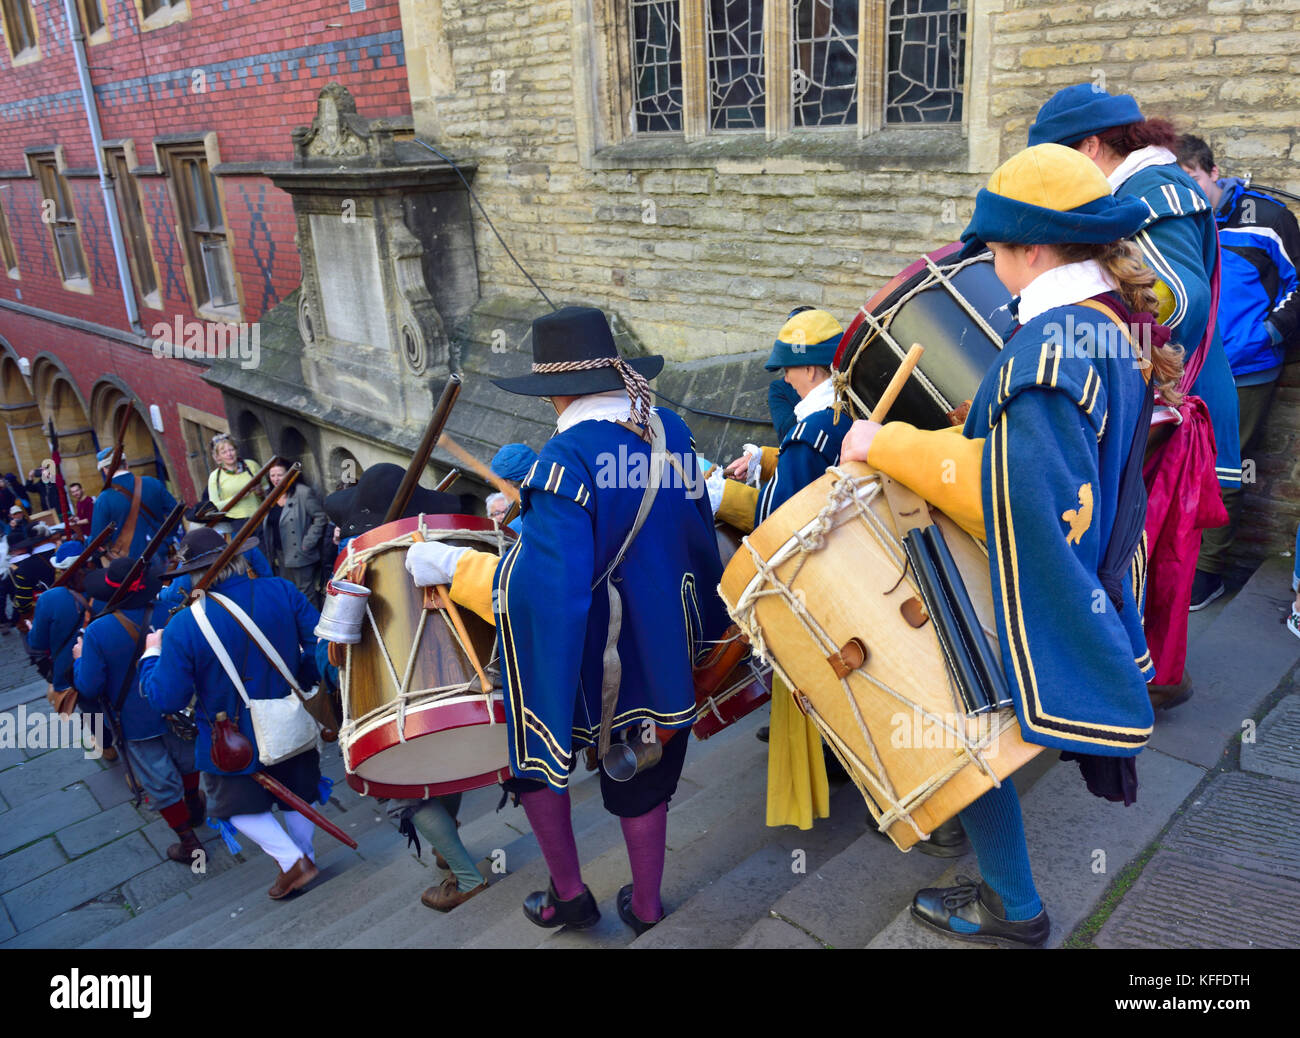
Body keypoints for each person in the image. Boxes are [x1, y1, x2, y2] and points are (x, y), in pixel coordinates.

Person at [838, 142, 1181, 946]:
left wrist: (885, 444)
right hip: (1085, 560)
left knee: (962, 723)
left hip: (1024, 579)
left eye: (995, 251)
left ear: (1033, 249)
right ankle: (1004, 891)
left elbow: (1013, 490)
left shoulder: (1049, 347)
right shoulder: (1106, 324)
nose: (989, 267)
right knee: (971, 728)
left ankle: (1013, 909)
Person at [403, 306, 729, 934]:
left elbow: (544, 592)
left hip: (591, 661)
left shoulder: (563, 462)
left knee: (533, 752)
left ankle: (570, 895)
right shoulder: (672, 431)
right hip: (662, 648)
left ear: (556, 389)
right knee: (647, 767)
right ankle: (649, 907)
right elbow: (690, 536)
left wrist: (451, 565)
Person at [1028, 85, 1237, 706]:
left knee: (1138, 544)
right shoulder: (1141, 190)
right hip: (1150, 399)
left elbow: (1180, 300)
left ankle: (1133, 681)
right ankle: (1135, 671)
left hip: (1163, 405)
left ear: (1091, 146)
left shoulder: (1156, 194)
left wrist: (1094, 324)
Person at [317, 470, 487, 913]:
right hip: (459, 689)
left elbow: (332, 655)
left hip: (393, 705)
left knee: (403, 798)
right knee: (447, 768)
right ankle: (445, 843)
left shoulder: (357, 566)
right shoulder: (442, 547)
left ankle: (466, 876)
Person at [139, 527, 326, 900]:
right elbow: (320, 645)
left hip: (231, 735)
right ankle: (303, 854)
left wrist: (151, 656)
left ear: (193, 573)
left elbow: (166, 698)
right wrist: (298, 681)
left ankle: (293, 861)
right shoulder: (282, 590)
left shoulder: (184, 625)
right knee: (299, 794)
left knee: (232, 807)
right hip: (290, 715)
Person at [1176, 134, 1300, 608]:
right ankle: (1177, 560)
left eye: (1190, 180)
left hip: (1245, 370)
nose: (1185, 191)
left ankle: (1209, 574)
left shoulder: (1267, 219)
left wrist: (1264, 336)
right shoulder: (1177, 222)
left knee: (1228, 469)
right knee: (1177, 465)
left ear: (1212, 170)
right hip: (1184, 370)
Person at [75, 557, 205, 861]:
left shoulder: (97, 631)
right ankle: (195, 808)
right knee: (187, 763)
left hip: (134, 720)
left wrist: (80, 657)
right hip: (176, 705)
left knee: (159, 782)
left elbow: (89, 687)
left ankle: (190, 844)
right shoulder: (168, 612)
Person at [90, 448, 180, 559]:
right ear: (126, 464)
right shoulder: (152, 482)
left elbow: (98, 538)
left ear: (105, 470)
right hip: (163, 550)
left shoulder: (104, 499)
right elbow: (176, 511)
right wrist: (168, 537)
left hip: (131, 561)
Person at [261, 460, 327, 608]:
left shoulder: (302, 493)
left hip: (300, 552)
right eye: (272, 475)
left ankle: (314, 626)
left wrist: (308, 542)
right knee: (289, 592)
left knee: (306, 595)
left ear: (289, 475)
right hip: (280, 554)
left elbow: (320, 517)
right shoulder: (270, 496)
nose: (276, 479)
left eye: (280, 475)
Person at [206, 434, 262, 521]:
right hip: (235, 520)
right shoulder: (215, 477)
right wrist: (238, 497)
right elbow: (215, 506)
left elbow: (268, 490)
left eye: (231, 450)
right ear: (218, 457)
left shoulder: (251, 465)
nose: (229, 454)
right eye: (224, 452)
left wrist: (260, 491)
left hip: (260, 514)